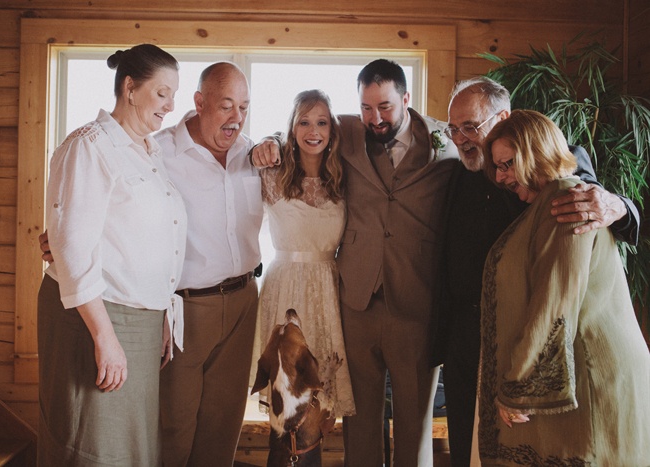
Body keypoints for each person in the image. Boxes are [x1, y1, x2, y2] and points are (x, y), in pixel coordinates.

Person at [254, 59, 460, 466]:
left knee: (414, 424)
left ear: (405, 99)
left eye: (384, 106)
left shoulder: (442, 142)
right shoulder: (346, 129)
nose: (375, 117)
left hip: (415, 302)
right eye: (366, 107)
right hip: (354, 303)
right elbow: (298, 127)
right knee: (358, 423)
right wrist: (268, 140)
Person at [434, 77, 641, 467]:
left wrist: (620, 206)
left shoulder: (559, 165)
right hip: (464, 336)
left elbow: (588, 215)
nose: (460, 138)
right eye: (453, 128)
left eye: (470, 127)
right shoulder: (456, 172)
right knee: (467, 448)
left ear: (504, 119)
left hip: (525, 337)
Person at [37, 44, 186, 466]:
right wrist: (104, 337)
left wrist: (158, 311)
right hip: (96, 318)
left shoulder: (148, 151)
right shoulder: (89, 145)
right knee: (92, 447)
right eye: (163, 93)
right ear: (130, 88)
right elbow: (71, 246)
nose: (171, 106)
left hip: (137, 322)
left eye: (174, 96)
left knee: (130, 449)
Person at [477, 109, 650, 465]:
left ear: (535, 150)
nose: (501, 176)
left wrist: (518, 386)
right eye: (497, 167)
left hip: (594, 370)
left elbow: (554, 302)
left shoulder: (565, 198)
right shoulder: (545, 199)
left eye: (508, 163)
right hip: (585, 366)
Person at [155, 61, 263, 467]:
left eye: (245, 107)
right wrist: (66, 238)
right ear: (199, 102)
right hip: (186, 309)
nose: (236, 118)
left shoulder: (251, 152)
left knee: (223, 426)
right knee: (174, 426)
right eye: (226, 106)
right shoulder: (158, 151)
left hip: (243, 301)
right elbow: (117, 206)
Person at [252, 89, 356, 419]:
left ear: (332, 130)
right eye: (305, 123)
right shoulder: (270, 174)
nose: (314, 132)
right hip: (283, 290)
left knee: (321, 396)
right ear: (292, 129)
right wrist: (267, 140)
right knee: (286, 393)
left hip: (327, 289)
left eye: (322, 123)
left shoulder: (344, 177)